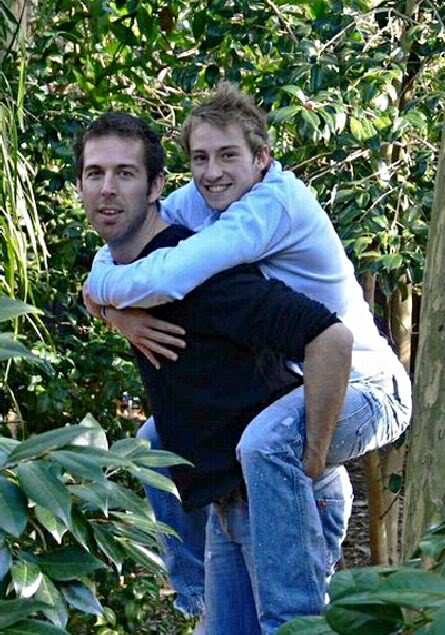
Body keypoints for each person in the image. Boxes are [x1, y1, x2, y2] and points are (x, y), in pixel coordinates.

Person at [83, 85, 411, 631]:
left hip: (363, 385)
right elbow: (121, 238)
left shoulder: (270, 206)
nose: (212, 172)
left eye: (228, 155)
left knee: (266, 445)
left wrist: (310, 459)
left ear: (262, 158)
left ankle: (289, 619)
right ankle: (191, 592)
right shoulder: (201, 197)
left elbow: (168, 273)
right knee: (156, 440)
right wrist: (116, 312)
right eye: (200, 158)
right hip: (295, 390)